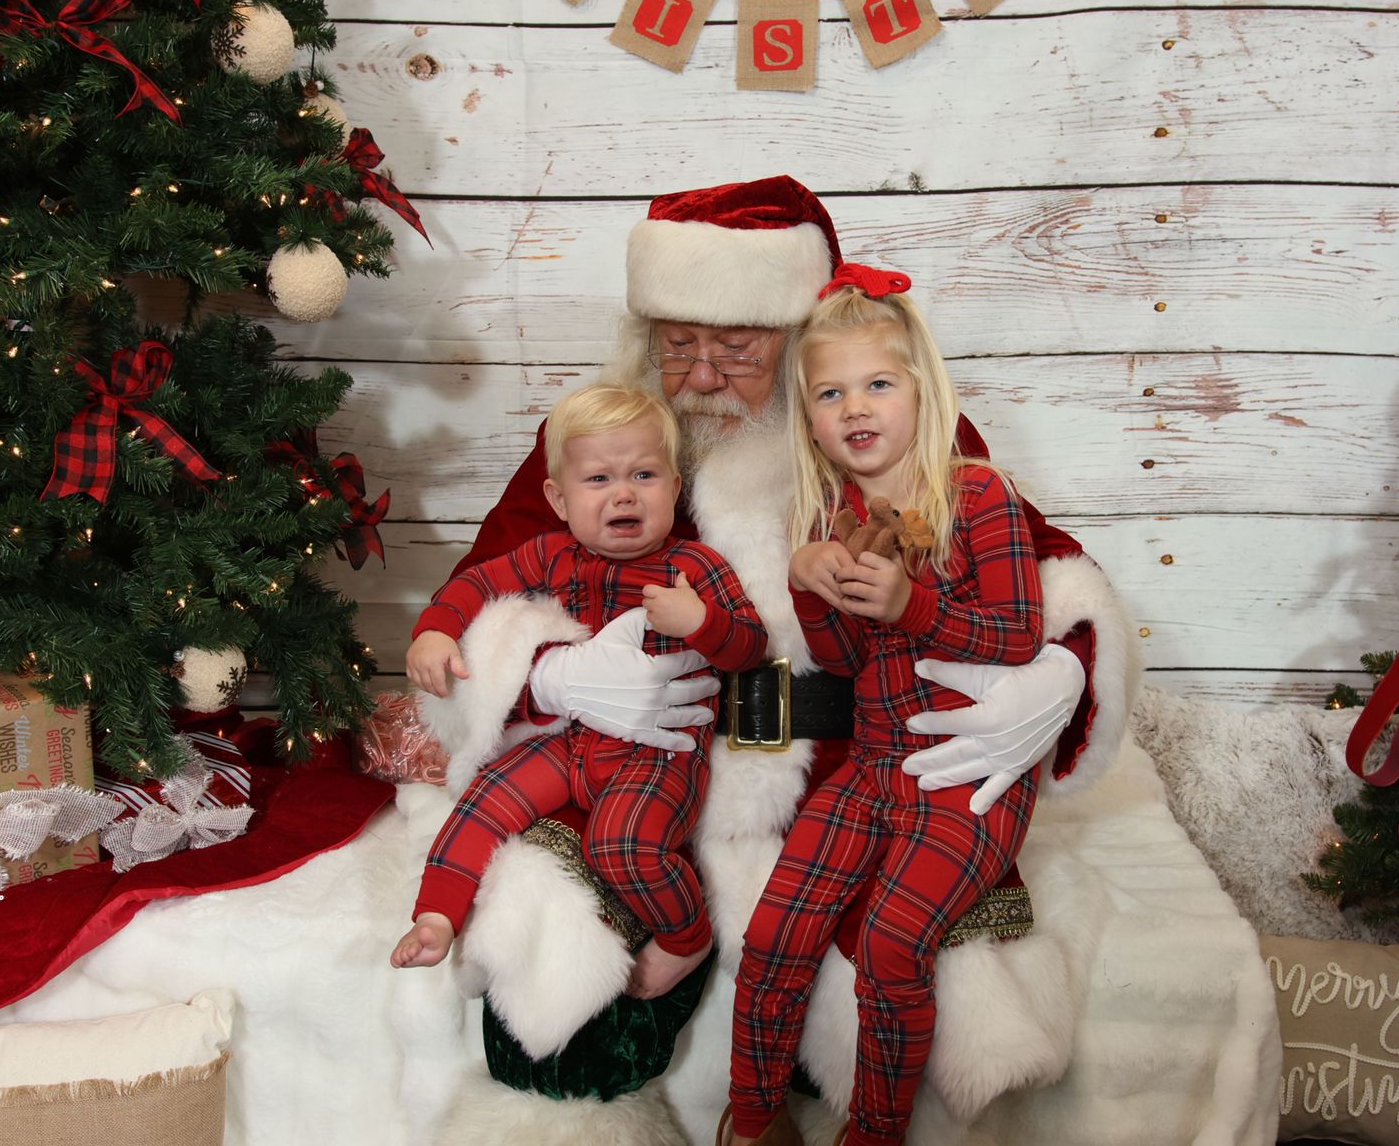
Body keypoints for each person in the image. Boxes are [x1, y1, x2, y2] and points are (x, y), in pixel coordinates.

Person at [411, 175, 1136, 1133]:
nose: (703, 377)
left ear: (796, 339)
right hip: (643, 767)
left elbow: (1051, 571)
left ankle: (787, 1106)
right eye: (679, 345)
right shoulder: (610, 434)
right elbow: (482, 589)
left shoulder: (876, 429)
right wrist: (551, 674)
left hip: (846, 766)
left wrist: (1062, 675)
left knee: (867, 982)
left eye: (738, 349)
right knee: (557, 1043)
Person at [724, 266, 1061, 1146]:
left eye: (877, 384)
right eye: (830, 393)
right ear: (810, 419)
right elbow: (842, 660)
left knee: (891, 944)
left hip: (967, 776)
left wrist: (914, 605)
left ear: (921, 390)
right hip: (875, 766)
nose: (855, 408)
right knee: (775, 934)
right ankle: (753, 1117)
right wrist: (808, 587)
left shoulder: (977, 495)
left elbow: (1019, 634)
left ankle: (875, 1131)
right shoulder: (831, 517)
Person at [395, 384, 767, 999]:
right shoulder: (551, 555)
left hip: (658, 751)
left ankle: (687, 936)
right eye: (598, 479)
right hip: (570, 739)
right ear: (559, 500)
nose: (624, 494)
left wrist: (701, 622)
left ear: (675, 488)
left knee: (620, 844)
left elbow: (750, 646)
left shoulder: (695, 566)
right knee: (484, 799)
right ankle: (436, 916)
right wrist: (435, 629)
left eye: (644, 475)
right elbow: (477, 585)